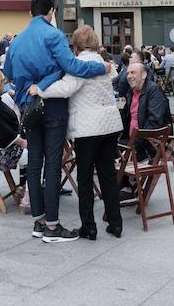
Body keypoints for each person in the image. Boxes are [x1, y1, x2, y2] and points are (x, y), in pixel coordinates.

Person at [4, 0, 110, 243]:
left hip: (28, 107)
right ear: (51, 11)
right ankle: (53, 226)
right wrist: (101, 67)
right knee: (52, 164)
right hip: (52, 106)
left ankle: (39, 222)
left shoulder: (17, 41)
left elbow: (8, 72)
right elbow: (74, 67)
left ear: (30, 13)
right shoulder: (54, 35)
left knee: (34, 163)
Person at [30, 26, 123, 240]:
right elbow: (114, 72)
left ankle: (89, 227)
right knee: (108, 175)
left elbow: (66, 88)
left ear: (76, 46)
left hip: (88, 128)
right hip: (110, 126)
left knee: (85, 178)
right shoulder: (103, 63)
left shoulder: (79, 64)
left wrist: (40, 90)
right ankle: (115, 224)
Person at [120, 62, 171, 166]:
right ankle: (124, 181)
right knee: (103, 149)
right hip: (132, 141)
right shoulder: (131, 92)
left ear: (144, 75)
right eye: (128, 73)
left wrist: (133, 145)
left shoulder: (154, 91)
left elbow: (154, 123)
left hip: (150, 144)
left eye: (133, 73)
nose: (129, 76)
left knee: (107, 157)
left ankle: (126, 180)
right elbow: (124, 118)